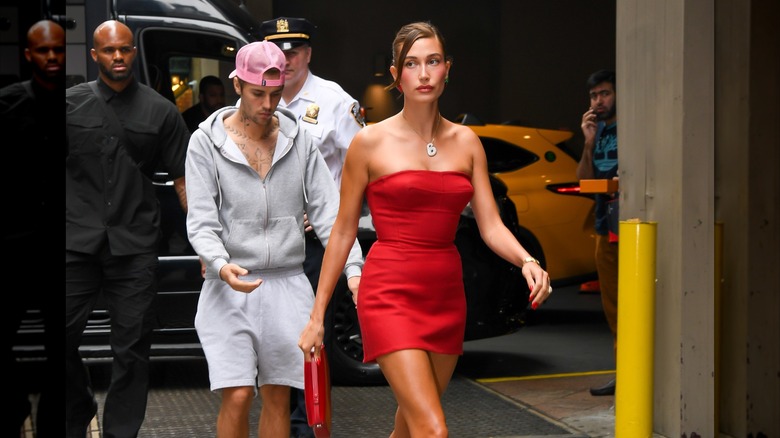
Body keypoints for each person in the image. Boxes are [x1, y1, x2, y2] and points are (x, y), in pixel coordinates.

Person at [298, 21, 552, 437]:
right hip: (389, 292)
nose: (424, 73)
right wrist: (318, 314)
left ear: (446, 69)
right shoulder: (370, 142)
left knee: (411, 424)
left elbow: (490, 225)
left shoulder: (467, 142)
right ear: (397, 76)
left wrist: (527, 260)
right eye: (412, 64)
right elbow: (342, 232)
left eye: (433, 61)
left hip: (446, 295)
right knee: (433, 429)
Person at [184, 41, 363, 437]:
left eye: (276, 94)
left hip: (287, 282)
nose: (268, 104)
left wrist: (354, 269)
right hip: (228, 285)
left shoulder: (300, 140)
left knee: (279, 396)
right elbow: (200, 221)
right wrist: (219, 263)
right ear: (237, 85)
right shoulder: (205, 141)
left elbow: (332, 217)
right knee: (237, 395)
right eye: (258, 94)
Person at [65, 20, 189, 438]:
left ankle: (120, 433)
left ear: (133, 53)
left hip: (134, 244)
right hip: (76, 241)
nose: (117, 57)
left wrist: (207, 244)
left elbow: (183, 180)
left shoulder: (161, 111)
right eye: (108, 51)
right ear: (94, 55)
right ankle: (80, 406)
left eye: (124, 49)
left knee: (132, 348)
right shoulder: (70, 105)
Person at [259, 16, 366, 437]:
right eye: (278, 50)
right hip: (264, 243)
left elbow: (364, 164)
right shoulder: (254, 99)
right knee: (270, 343)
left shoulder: (335, 101)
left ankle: (307, 428)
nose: (285, 60)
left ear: (308, 53)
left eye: (295, 50)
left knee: (306, 339)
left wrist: (338, 214)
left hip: (312, 244)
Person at [1, 19, 65, 437]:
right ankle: (13, 407)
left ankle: (51, 429)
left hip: (61, 248)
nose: (53, 58)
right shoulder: (7, 103)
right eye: (43, 51)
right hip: (13, 247)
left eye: (58, 50)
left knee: (62, 350)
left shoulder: (74, 103)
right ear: (28, 55)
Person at [575, 69, 618, 397]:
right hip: (605, 228)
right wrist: (589, 142)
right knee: (612, 307)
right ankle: (622, 371)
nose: (598, 101)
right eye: (593, 96)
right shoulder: (598, 131)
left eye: (604, 94)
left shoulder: (628, 127)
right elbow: (584, 182)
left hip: (628, 229)